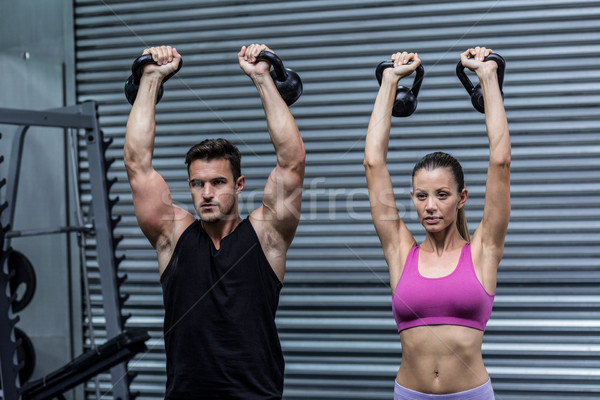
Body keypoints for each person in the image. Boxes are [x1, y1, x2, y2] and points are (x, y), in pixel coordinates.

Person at [124, 44, 305, 400]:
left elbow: (292, 162)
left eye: (218, 182)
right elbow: (137, 165)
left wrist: (262, 78)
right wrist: (150, 79)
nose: (206, 193)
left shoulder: (266, 236)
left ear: (239, 185)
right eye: (197, 183)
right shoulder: (171, 236)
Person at [364, 47, 510, 399]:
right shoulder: (401, 251)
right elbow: (373, 163)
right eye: (421, 195)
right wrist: (389, 82)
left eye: (442, 195)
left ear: (462, 198)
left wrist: (488, 77)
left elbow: (500, 159)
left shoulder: (483, 249)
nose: (430, 206)